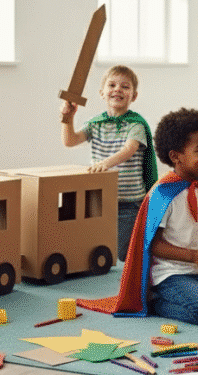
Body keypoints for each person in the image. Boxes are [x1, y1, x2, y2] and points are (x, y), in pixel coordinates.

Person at [77, 108, 198, 326]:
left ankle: (197, 293)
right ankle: (155, 302)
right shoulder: (163, 194)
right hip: (169, 274)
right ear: (175, 156)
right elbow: (151, 244)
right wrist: (194, 256)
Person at [61, 65, 158, 262]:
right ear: (102, 93)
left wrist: (105, 163)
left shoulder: (136, 125)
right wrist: (68, 118)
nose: (117, 89)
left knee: (121, 252)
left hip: (128, 202)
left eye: (125, 86)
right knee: (96, 247)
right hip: (100, 198)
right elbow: (70, 140)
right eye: (112, 85)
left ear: (134, 96)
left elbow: (128, 150)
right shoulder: (95, 124)